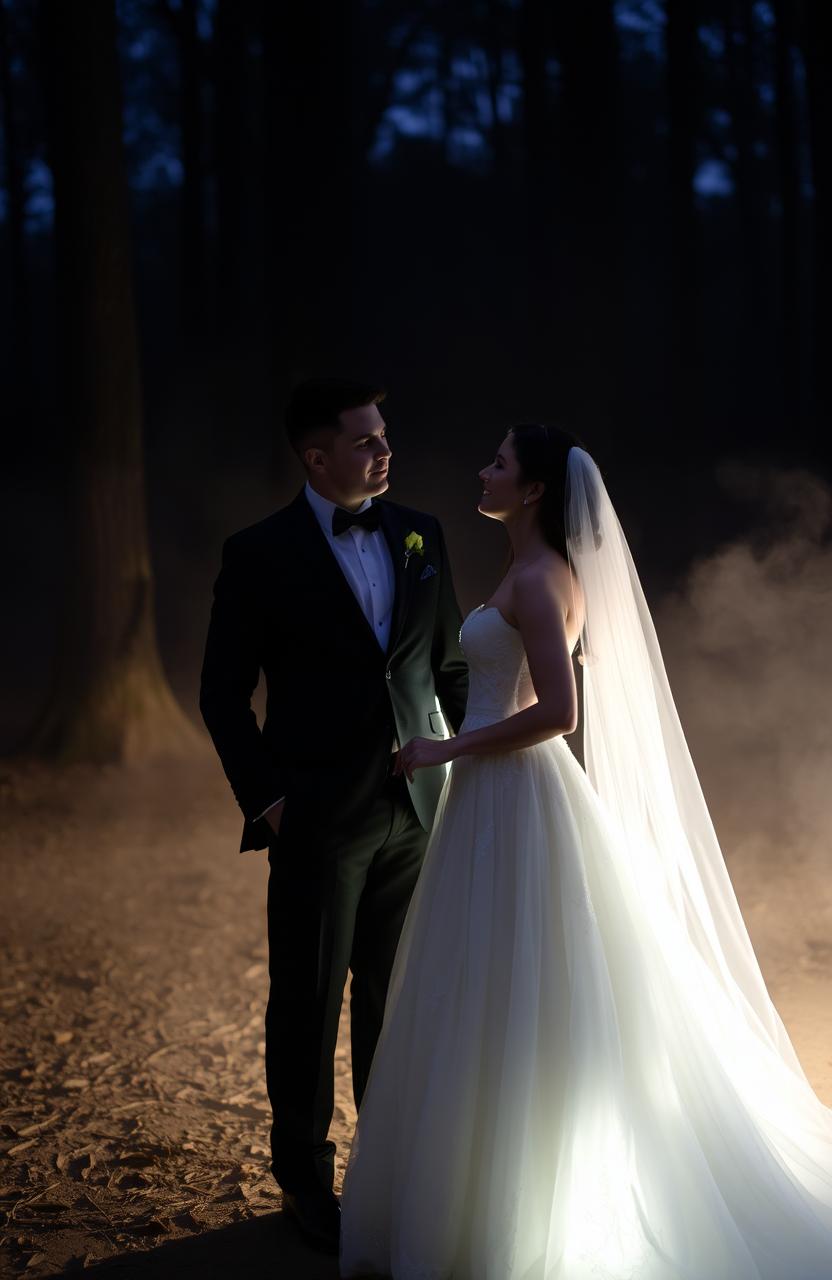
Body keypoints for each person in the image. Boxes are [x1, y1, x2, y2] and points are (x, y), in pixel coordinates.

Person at [339, 424, 832, 1279]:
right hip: (496, 794)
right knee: (483, 982)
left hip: (516, 790)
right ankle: (474, 1194)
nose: (482, 470)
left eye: (497, 462)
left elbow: (560, 711)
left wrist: (445, 749)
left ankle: (522, 1205)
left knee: (520, 982)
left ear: (531, 491)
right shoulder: (528, 570)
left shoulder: (538, 578)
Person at [199, 378, 468, 1254]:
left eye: (383, 435)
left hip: (418, 812)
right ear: (316, 458)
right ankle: (305, 1185)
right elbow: (221, 694)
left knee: (397, 1001)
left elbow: (449, 669)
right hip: (317, 816)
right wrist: (272, 802)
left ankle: (387, 1173)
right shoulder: (258, 553)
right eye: (363, 442)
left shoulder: (421, 533)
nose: (384, 451)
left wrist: (476, 762)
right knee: (308, 1005)